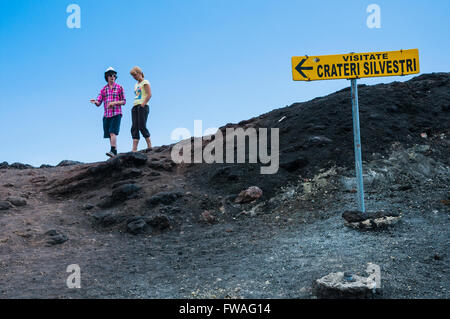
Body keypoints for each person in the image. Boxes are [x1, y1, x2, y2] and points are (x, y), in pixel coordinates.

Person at [90, 67, 126, 158]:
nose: (112, 76)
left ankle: (113, 150)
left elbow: (124, 101)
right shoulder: (103, 89)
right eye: (110, 75)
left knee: (112, 132)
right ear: (107, 77)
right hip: (107, 115)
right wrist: (95, 102)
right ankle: (114, 151)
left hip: (116, 113)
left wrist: (114, 103)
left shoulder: (119, 87)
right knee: (110, 134)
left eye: (114, 75)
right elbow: (99, 102)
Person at [129, 66, 152, 152]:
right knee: (134, 127)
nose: (134, 77)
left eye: (135, 75)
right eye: (133, 76)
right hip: (135, 106)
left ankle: (149, 145)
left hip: (143, 106)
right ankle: (134, 149)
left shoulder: (145, 82)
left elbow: (149, 94)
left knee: (142, 126)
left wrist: (143, 104)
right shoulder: (136, 84)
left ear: (139, 73)